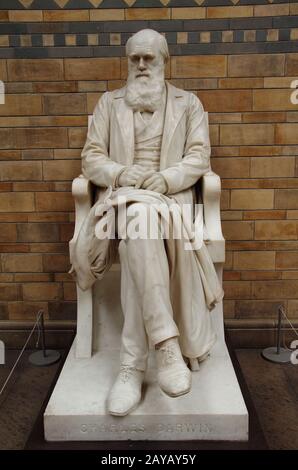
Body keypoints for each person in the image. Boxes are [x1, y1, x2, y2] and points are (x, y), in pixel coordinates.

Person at [74, 29, 224, 416]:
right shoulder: (109, 104)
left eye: (148, 58)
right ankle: (167, 346)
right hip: (123, 201)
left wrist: (169, 177)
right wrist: (121, 173)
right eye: (134, 58)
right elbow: (91, 157)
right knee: (138, 217)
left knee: (139, 228)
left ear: (164, 60)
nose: (141, 65)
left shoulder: (189, 104)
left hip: (170, 201)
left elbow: (198, 156)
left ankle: (131, 366)